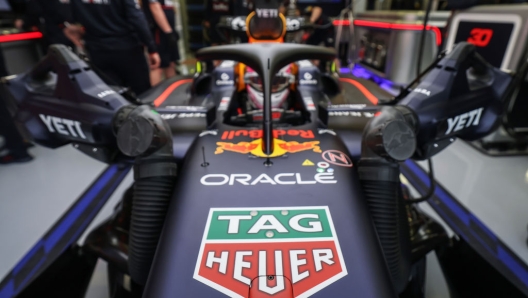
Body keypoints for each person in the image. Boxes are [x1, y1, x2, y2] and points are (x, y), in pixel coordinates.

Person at [64, 0, 160, 95]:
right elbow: (137, 18)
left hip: (97, 49)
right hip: (126, 48)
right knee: (142, 93)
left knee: (111, 94)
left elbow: (72, 16)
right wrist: (152, 48)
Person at [144, 0, 180, 86]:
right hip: (159, 32)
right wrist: (168, 32)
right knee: (157, 66)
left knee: (171, 64)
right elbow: (155, 7)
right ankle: (155, 98)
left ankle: (173, 94)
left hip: (168, 31)